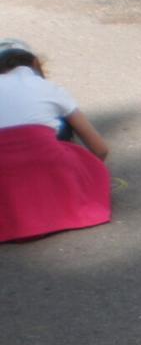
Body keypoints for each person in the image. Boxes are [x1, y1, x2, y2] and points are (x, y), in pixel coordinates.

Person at [0, 38, 111, 243]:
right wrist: (87, 174)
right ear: (35, 64)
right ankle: (55, 196)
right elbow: (100, 148)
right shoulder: (48, 88)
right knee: (59, 127)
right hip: (45, 158)